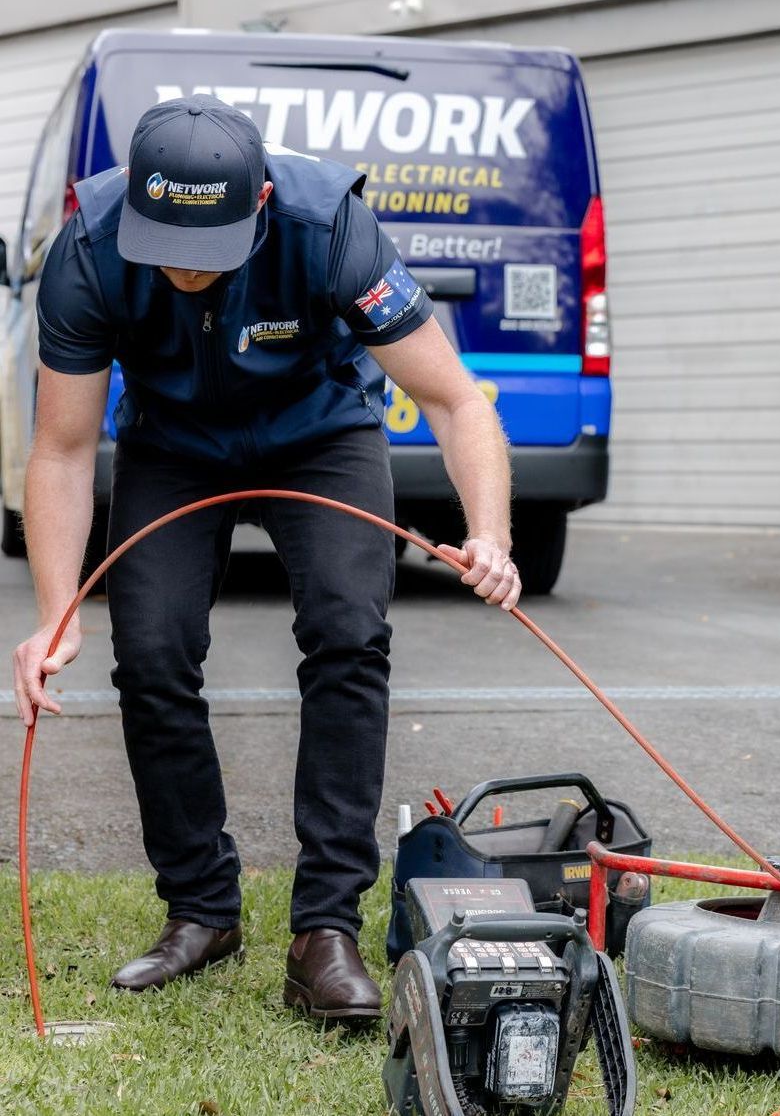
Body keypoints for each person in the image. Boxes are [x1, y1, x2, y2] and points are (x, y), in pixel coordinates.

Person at [10, 95, 520, 1024]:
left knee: (347, 633)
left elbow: (456, 400)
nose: (183, 271)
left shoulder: (328, 227)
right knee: (152, 654)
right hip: (172, 444)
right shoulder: (85, 251)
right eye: (165, 246)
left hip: (319, 434)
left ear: (261, 202)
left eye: (207, 251)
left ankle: (325, 929)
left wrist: (490, 532)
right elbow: (64, 447)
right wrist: (54, 613)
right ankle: (201, 909)